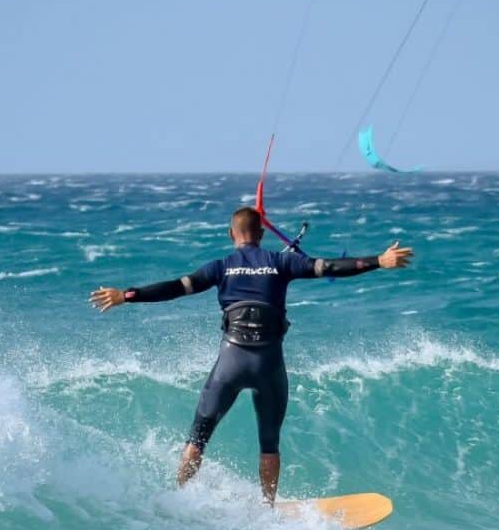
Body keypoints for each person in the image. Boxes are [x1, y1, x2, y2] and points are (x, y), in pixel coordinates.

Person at [90, 206, 412, 504]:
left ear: (232, 235)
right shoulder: (281, 262)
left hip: (231, 362)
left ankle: (178, 500)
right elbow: (328, 266)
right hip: (268, 364)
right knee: (269, 445)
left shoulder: (220, 268)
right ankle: (267, 509)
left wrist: (126, 295)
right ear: (261, 234)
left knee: (197, 439)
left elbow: (174, 287)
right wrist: (378, 261)